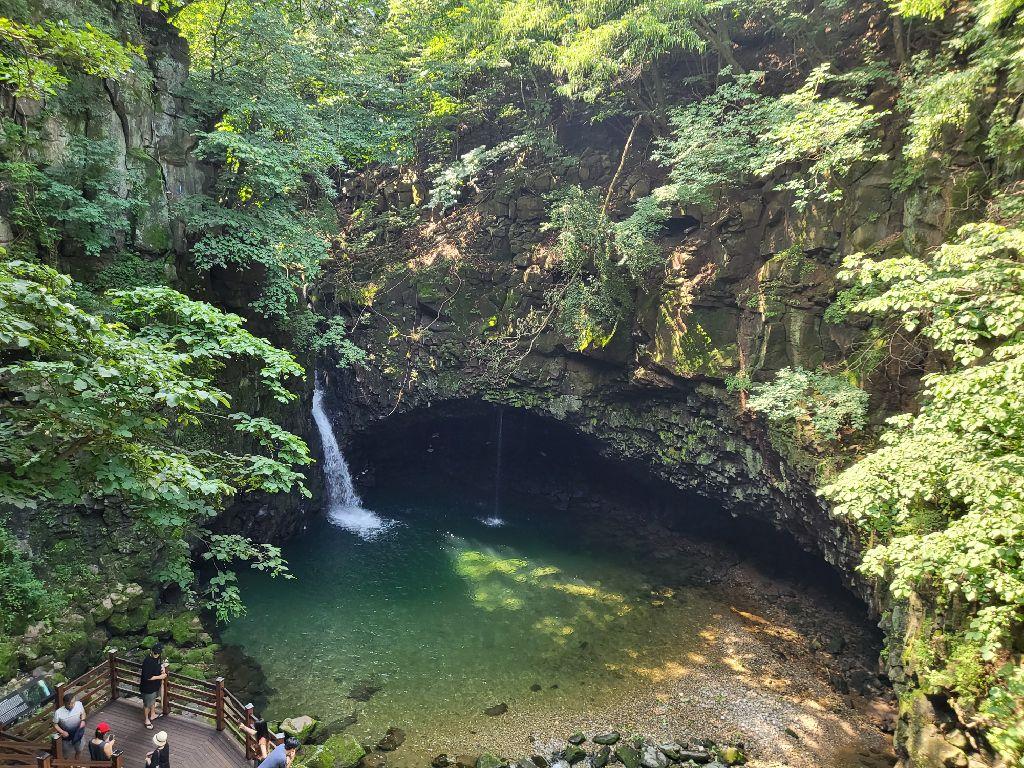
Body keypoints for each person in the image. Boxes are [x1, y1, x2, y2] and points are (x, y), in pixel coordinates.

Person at [140, 643, 168, 729]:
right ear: (151, 651)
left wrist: (162, 668)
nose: (156, 655)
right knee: (147, 704)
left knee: (153, 700)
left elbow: (159, 664)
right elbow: (147, 677)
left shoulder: (158, 657)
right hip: (148, 687)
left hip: (155, 685)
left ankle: (152, 714)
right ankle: (146, 720)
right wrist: (161, 677)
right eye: (155, 653)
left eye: (158, 653)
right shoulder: (147, 661)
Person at [52, 692, 86, 759]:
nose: (72, 705)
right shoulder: (58, 712)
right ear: (65, 703)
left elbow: (83, 713)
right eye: (70, 703)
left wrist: (83, 720)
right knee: (65, 755)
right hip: (66, 737)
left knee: (79, 750)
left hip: (78, 733)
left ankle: (77, 764)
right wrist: (62, 732)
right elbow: (55, 724)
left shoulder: (79, 704)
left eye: (73, 702)